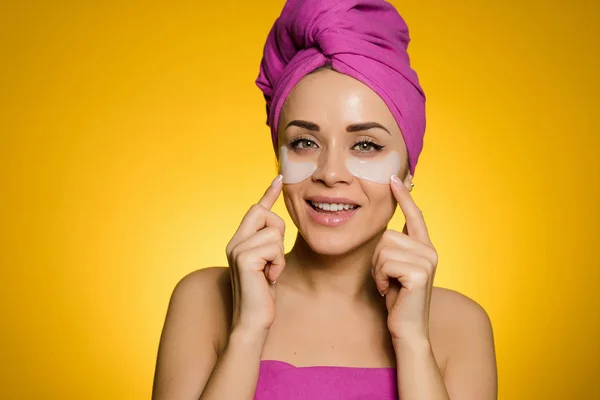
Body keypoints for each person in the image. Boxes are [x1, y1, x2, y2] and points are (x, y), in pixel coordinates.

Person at [152, 0, 498, 399]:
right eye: (304, 142)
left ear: (407, 171)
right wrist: (247, 332)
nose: (330, 173)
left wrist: (413, 342)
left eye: (365, 145)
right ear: (279, 156)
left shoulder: (460, 326)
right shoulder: (203, 300)